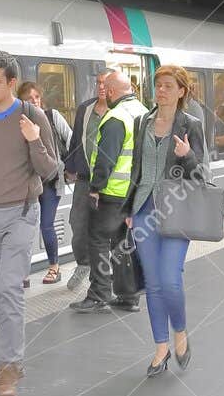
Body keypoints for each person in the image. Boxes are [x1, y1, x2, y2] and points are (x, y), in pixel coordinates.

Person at [0, 51, 60, 396]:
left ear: (12, 83)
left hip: (20, 212)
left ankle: (10, 369)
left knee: (8, 289)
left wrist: (33, 139)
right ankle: (6, 360)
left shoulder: (32, 116)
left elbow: (51, 170)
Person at [126, 65, 204, 377]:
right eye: (158, 85)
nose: (161, 91)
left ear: (182, 91)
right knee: (154, 285)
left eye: (168, 86)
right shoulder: (141, 121)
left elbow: (201, 176)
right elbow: (137, 168)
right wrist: (129, 210)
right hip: (144, 210)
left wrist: (186, 155)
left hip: (177, 210)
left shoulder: (191, 124)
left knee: (171, 279)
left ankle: (181, 332)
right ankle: (161, 347)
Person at [73, 68, 148, 314]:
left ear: (114, 92)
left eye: (108, 89)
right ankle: (129, 295)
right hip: (136, 193)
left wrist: (95, 188)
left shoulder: (117, 117)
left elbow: (106, 159)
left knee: (97, 241)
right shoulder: (144, 112)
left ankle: (99, 294)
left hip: (114, 194)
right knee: (123, 244)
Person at [19, 80, 72, 285]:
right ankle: (23, 273)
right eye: (29, 99)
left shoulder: (52, 116)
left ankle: (54, 267)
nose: (35, 102)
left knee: (46, 225)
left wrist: (67, 168)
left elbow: (70, 140)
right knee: (23, 229)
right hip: (29, 182)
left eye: (37, 98)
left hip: (51, 182)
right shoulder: (18, 122)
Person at [65, 71, 111, 294]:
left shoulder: (120, 110)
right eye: (98, 83)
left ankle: (104, 275)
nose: (101, 87)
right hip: (85, 179)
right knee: (78, 223)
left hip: (111, 181)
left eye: (105, 83)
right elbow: (76, 139)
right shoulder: (85, 109)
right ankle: (84, 263)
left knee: (104, 228)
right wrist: (70, 167)